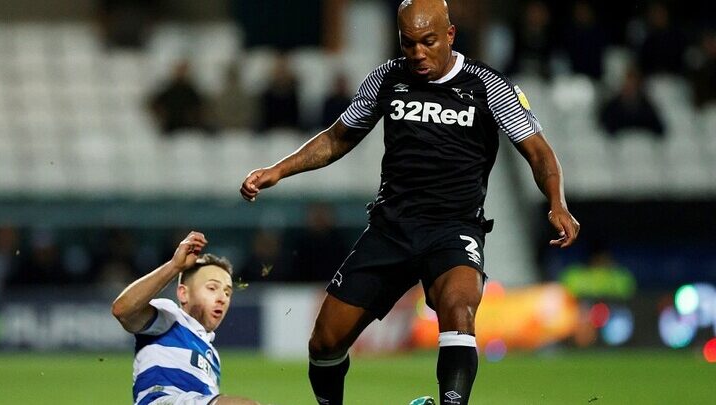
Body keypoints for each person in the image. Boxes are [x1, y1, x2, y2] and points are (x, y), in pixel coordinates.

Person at [240, 1, 580, 404]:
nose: (417, 52)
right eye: (408, 43)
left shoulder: (487, 85)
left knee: (458, 309)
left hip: (454, 229)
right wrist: (278, 170)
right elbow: (337, 137)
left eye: (428, 42)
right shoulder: (387, 78)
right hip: (391, 229)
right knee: (325, 341)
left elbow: (539, 152)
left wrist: (557, 202)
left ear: (450, 35)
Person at [111, 231, 261, 405]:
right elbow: (123, 310)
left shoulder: (212, 356)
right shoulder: (170, 317)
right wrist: (174, 266)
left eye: (227, 293)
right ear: (183, 293)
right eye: (212, 288)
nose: (222, 298)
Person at [599, 66, 665, 138]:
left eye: (633, 84)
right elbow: (605, 128)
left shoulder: (647, 106)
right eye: (628, 83)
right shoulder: (613, 106)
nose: (630, 87)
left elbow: (658, 129)